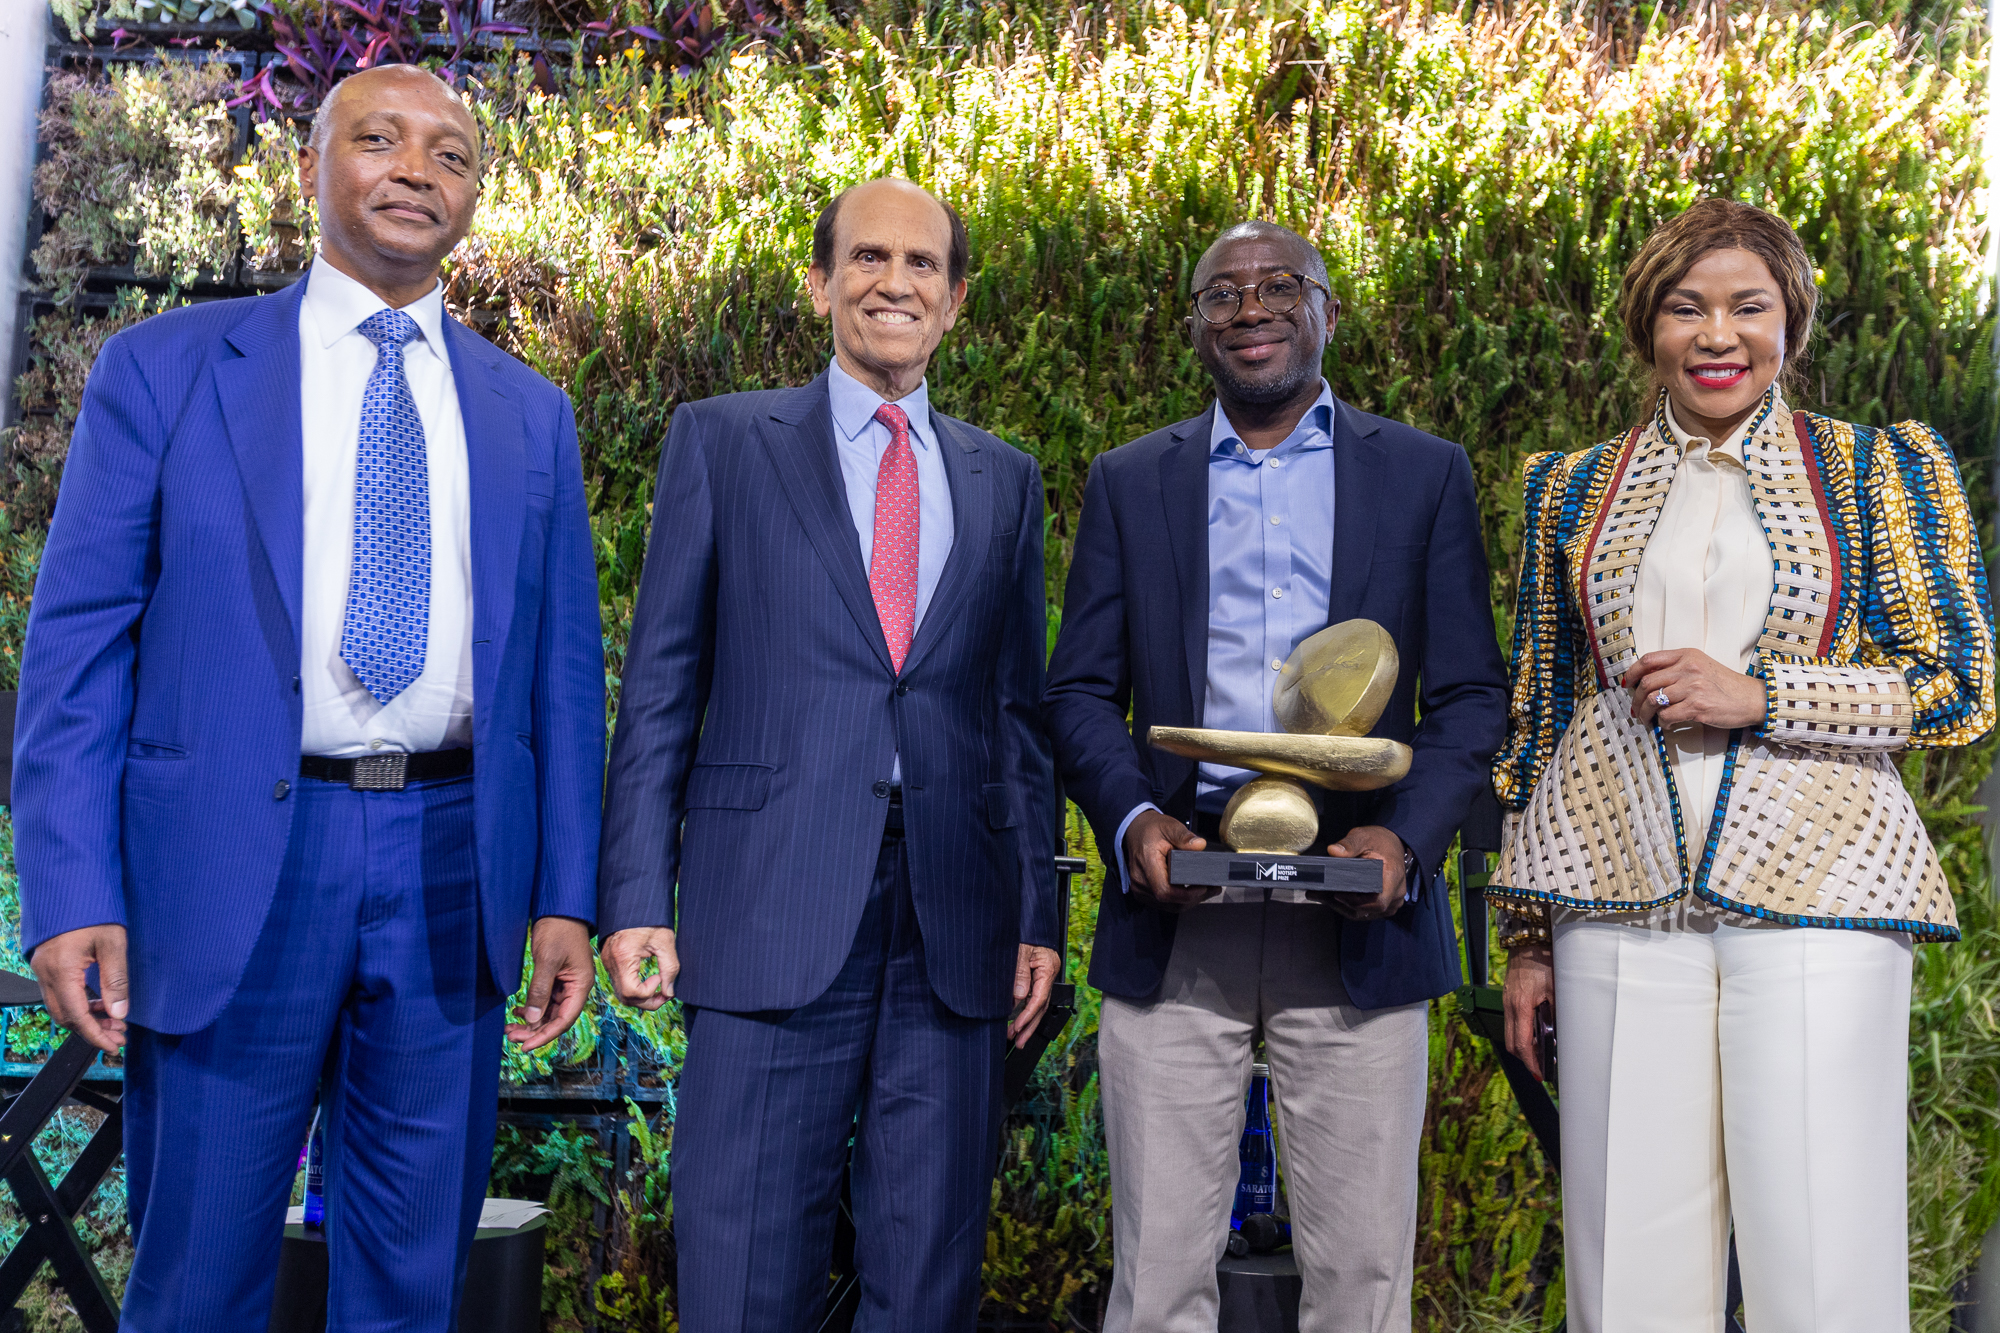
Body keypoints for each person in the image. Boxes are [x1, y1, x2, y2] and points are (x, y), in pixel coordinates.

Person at [11, 65, 605, 1330]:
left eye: (448, 155)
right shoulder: (164, 369)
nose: (414, 171)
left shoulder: (528, 414)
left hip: (453, 867)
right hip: (237, 864)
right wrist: (69, 890)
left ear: (473, 196)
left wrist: (564, 893)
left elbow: (560, 681)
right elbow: (76, 653)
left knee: (410, 1283)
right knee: (197, 1281)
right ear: (309, 171)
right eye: (378, 140)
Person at [1490, 197, 1995, 1333]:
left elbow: (1956, 684)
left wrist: (1763, 697)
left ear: (1790, 325)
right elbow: (1540, 717)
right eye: (1686, 307)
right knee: (1625, 1280)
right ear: (1646, 327)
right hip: (1614, 908)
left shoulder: (1876, 469)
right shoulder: (1568, 489)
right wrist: (1525, 937)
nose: (1716, 335)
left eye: (1745, 307)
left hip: (1822, 902)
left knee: (1819, 1263)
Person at [596, 176, 1061, 1332]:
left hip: (954, 918)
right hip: (766, 901)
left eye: (919, 266)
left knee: (929, 1268)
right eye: (864, 258)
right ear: (818, 284)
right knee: (743, 1255)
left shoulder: (1003, 477)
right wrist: (632, 897)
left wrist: (1040, 910)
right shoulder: (722, 442)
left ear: (953, 302)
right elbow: (660, 688)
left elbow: (1018, 714)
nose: (891, 283)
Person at [1043, 220, 1508, 1333]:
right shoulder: (1127, 481)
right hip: (1176, 917)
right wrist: (1134, 820)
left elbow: (1468, 699)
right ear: (1195, 328)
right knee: (1155, 1282)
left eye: (1277, 286)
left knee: (1360, 1280)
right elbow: (1074, 694)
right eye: (1219, 294)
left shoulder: (1422, 475)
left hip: (1358, 915)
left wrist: (1403, 839)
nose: (1248, 307)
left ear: (1326, 311)